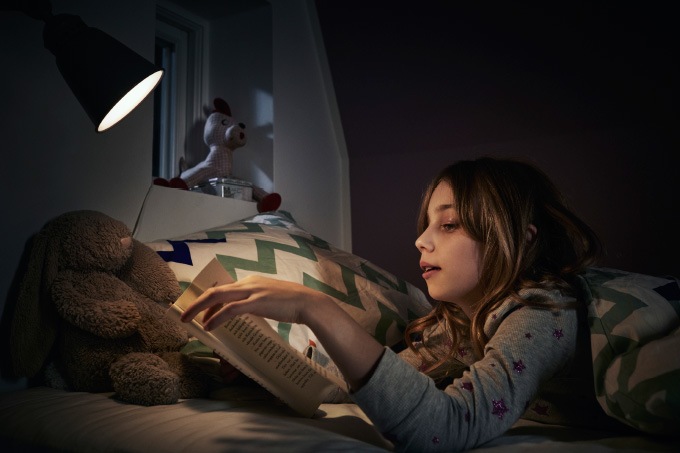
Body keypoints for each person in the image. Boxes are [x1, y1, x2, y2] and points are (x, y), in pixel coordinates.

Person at [180, 157, 623, 451]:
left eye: (449, 224)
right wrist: (263, 366)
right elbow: (365, 384)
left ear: (522, 240)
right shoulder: (455, 327)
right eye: (429, 224)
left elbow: (446, 427)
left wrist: (315, 307)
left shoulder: (545, 311)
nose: (421, 240)